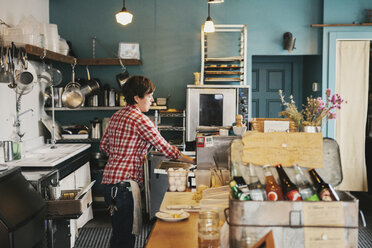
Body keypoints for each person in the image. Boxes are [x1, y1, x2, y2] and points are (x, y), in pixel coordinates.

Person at [100, 75, 194, 248]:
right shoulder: (141, 120)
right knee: (126, 238)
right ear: (137, 98)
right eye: (149, 96)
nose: (152, 100)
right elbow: (166, 148)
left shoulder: (116, 115)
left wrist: (124, 155)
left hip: (109, 184)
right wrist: (193, 160)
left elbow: (104, 146)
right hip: (124, 187)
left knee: (118, 234)